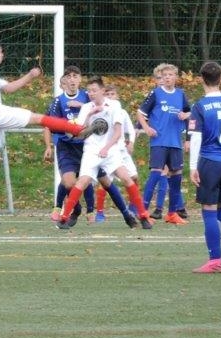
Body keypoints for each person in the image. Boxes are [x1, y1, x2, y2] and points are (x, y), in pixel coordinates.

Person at [0, 36, 102, 226]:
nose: (2, 55)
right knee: (37, 118)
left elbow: (9, 88)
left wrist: (30, 75)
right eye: (1, 52)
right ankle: (78, 129)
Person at [54, 77, 153, 230]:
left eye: (94, 90)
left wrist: (106, 148)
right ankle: (64, 218)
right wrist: (90, 114)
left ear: (102, 91)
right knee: (82, 182)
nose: (91, 93)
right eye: (89, 91)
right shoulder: (86, 107)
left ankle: (143, 216)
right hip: (91, 151)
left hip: (111, 151)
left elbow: (118, 132)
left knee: (127, 178)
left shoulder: (114, 106)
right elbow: (78, 133)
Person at [188, 61, 221, 273]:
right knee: (220, 208)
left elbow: (196, 138)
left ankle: (215, 261)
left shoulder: (200, 106)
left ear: (202, 79)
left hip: (210, 161)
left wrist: (193, 166)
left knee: (209, 210)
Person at [138, 63, 190, 225]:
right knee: (155, 174)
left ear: (176, 77)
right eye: (165, 75)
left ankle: (172, 213)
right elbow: (140, 113)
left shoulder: (181, 94)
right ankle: (143, 211)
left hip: (176, 143)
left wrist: (188, 137)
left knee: (176, 177)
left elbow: (189, 114)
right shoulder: (156, 93)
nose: (167, 77)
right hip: (159, 141)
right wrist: (147, 128)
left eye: (170, 75)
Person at [42, 66, 95, 223]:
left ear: (80, 79)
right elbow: (50, 124)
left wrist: (82, 107)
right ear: (64, 80)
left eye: (75, 76)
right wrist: (49, 145)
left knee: (86, 179)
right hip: (65, 146)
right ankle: (74, 208)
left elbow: (100, 111)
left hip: (85, 145)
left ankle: (91, 210)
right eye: (69, 76)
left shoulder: (87, 97)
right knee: (68, 182)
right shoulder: (58, 101)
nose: (72, 79)